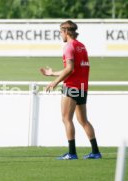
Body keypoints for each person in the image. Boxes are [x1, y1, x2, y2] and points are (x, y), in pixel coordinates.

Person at [40, 20, 102, 160]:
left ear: (66, 32)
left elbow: (69, 69)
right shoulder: (82, 46)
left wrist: (55, 82)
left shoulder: (68, 47)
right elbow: (74, 69)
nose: (60, 35)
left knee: (66, 119)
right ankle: (95, 152)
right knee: (83, 120)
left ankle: (72, 153)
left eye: (60, 32)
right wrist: (52, 73)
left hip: (72, 87)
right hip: (82, 87)